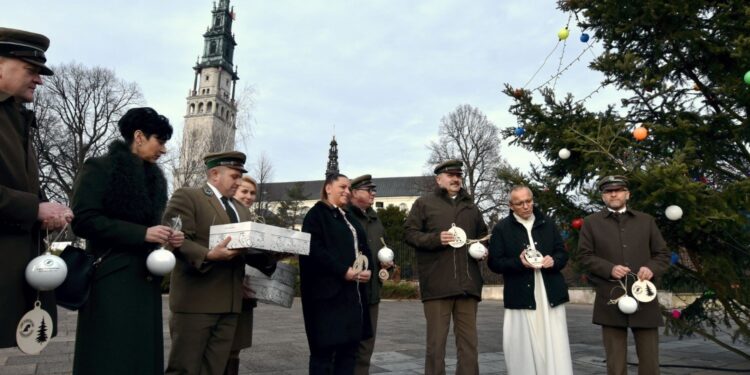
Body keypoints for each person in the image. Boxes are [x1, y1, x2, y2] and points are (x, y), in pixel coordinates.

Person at [70, 107, 182, 374]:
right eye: (160, 140)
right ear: (139, 136)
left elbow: (150, 227)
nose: (164, 150)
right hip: (110, 276)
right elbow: (83, 220)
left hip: (146, 278)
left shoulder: (155, 179)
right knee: (109, 353)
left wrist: (166, 236)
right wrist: (141, 233)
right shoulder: (99, 167)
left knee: (140, 354)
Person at [164, 151, 275, 375]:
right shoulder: (188, 196)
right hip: (197, 302)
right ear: (215, 174)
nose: (238, 181)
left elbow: (245, 247)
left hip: (231, 304)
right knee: (185, 368)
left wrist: (273, 253)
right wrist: (207, 255)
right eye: (234, 176)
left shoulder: (241, 209)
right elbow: (174, 237)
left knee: (215, 369)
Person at [0, 27, 72, 349]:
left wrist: (46, 209)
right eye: (31, 70)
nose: (39, 80)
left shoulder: (15, 116)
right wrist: (33, 208)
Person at [578, 175, 670, 375]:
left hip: (644, 296)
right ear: (603, 196)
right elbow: (585, 256)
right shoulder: (591, 223)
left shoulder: (646, 221)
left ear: (627, 194)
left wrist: (651, 268)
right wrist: (608, 268)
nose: (613, 194)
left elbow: (662, 254)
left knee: (650, 361)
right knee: (615, 362)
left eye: (618, 190)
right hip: (610, 297)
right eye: (608, 191)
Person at [404, 159, 488, 375]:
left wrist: (482, 248)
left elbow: (483, 236)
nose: (456, 178)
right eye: (450, 175)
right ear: (438, 179)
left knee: (470, 346)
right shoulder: (424, 204)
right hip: (437, 286)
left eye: (458, 175)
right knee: (436, 347)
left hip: (468, 286)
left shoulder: (471, 207)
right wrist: (435, 239)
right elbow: (409, 234)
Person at [487, 185, 573, 375]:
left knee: (555, 340)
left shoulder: (547, 222)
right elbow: (494, 263)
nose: (526, 206)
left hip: (550, 293)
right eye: (520, 203)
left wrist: (555, 260)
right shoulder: (502, 228)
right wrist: (518, 263)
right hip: (520, 295)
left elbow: (562, 253)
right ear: (511, 205)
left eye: (529, 201)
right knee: (522, 346)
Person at [300, 173, 373, 374]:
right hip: (326, 299)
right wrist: (343, 271)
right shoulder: (316, 216)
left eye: (349, 188)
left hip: (351, 299)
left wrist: (368, 270)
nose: (347, 191)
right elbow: (314, 249)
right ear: (328, 188)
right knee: (323, 356)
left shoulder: (350, 218)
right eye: (343, 187)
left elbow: (365, 248)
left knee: (348, 354)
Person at [224, 175, 275, 375]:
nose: (249, 196)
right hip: (225, 290)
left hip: (246, 293)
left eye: (252, 193)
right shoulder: (223, 216)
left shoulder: (251, 220)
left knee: (236, 348)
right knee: (222, 348)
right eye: (244, 191)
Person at [347, 174, 390, 375]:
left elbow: (382, 248)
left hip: (371, 292)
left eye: (374, 190)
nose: (374, 194)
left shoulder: (375, 219)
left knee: (366, 347)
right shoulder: (344, 216)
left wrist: (387, 263)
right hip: (348, 292)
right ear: (354, 193)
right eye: (369, 190)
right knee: (347, 344)